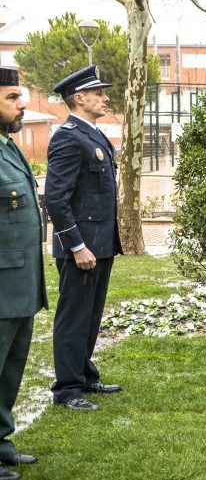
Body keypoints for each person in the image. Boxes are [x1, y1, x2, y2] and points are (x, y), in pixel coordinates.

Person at [45, 66, 123, 411]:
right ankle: (67, 389)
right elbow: (56, 198)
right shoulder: (68, 136)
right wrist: (76, 246)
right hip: (83, 247)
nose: (105, 98)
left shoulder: (92, 133)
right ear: (80, 98)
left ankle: (84, 374)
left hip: (99, 243)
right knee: (73, 317)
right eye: (99, 93)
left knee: (90, 316)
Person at [0, 67, 47, 480]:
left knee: (10, 368)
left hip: (18, 284)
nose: (23, 104)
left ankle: (1, 442)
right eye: (13, 97)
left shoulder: (8, 146)